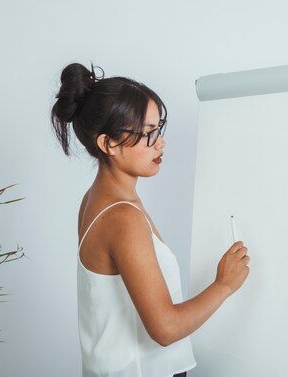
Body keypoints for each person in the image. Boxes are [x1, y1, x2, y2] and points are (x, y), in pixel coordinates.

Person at [51, 62, 250, 377]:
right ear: (108, 144)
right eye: (147, 133)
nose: (161, 142)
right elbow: (165, 329)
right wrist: (223, 285)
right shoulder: (121, 217)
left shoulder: (97, 200)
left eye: (159, 128)